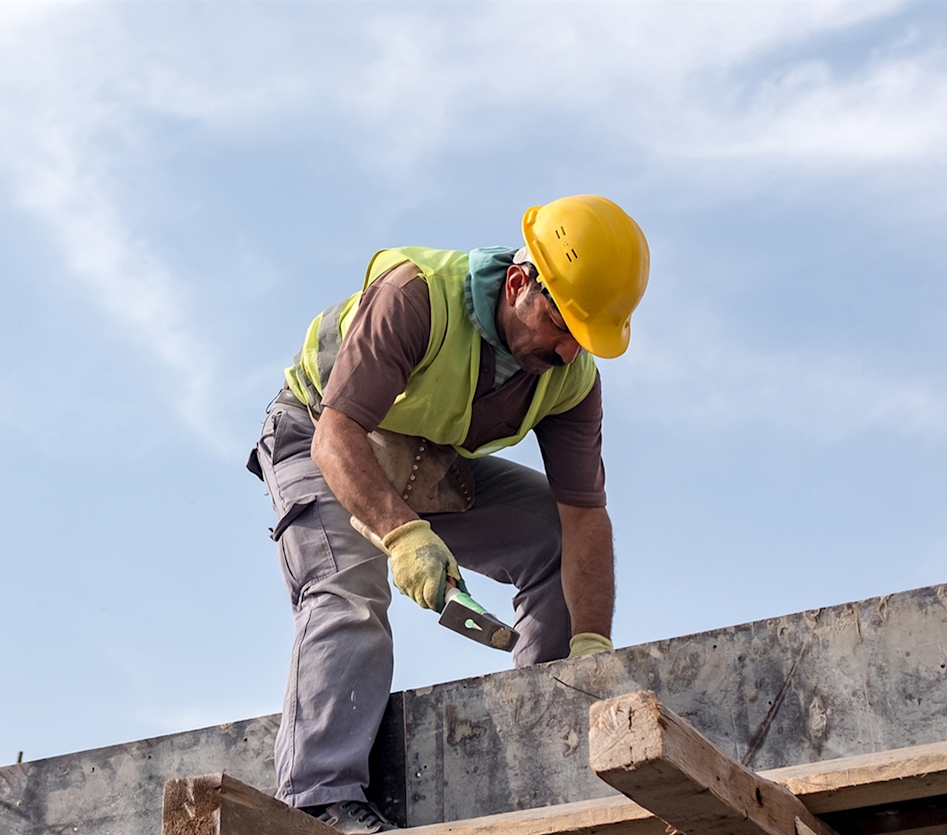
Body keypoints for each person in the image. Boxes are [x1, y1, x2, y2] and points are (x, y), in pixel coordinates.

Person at [245, 195, 650, 833]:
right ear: (518, 283)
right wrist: (404, 534)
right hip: (318, 433)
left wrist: (591, 645)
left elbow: (583, 517)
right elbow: (337, 437)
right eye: (562, 324)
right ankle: (321, 802)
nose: (569, 351)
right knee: (348, 591)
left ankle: (552, 743)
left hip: (422, 459)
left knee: (550, 536)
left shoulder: (570, 380)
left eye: (584, 337)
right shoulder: (415, 297)